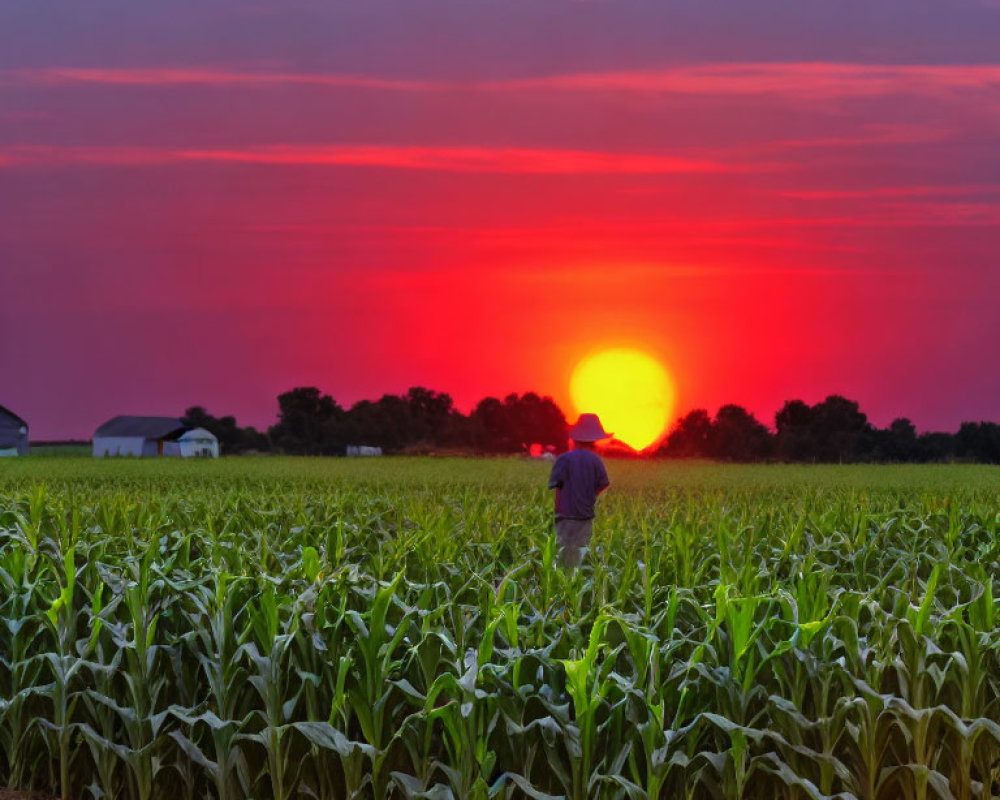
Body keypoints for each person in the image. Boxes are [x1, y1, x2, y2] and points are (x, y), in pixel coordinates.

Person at [547, 413, 611, 567]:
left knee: (562, 551)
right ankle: (576, 583)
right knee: (580, 552)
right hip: (585, 515)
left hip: (564, 515)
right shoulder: (596, 461)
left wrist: (558, 510)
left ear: (575, 439)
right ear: (594, 441)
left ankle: (561, 583)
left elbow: (557, 487)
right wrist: (591, 496)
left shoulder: (564, 459)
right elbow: (604, 484)